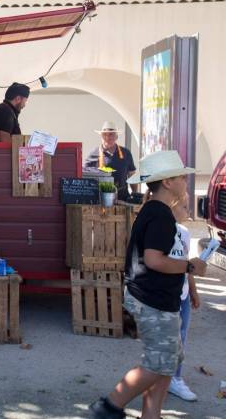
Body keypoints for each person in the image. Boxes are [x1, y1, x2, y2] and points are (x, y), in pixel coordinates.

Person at [89, 151, 208, 419]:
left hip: (157, 299)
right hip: (152, 301)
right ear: (167, 182)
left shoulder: (155, 211)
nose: (184, 182)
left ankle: (150, 415)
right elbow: (154, 260)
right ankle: (108, 406)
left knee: (169, 361)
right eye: (180, 177)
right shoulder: (160, 216)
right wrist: (190, 267)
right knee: (158, 363)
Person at [166, 193, 200, 402]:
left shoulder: (185, 233)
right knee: (165, 340)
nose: (189, 212)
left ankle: (175, 378)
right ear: (172, 207)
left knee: (181, 336)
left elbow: (186, 266)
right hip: (166, 296)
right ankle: (161, 377)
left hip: (183, 294)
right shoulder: (161, 231)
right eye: (186, 207)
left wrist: (194, 292)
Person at [84, 121, 138, 201]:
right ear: (101, 136)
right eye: (104, 135)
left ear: (116, 137)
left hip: (123, 198)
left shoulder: (126, 153)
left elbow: (132, 175)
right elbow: (84, 174)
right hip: (100, 200)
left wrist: (134, 193)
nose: (107, 137)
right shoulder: (94, 153)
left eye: (111, 134)